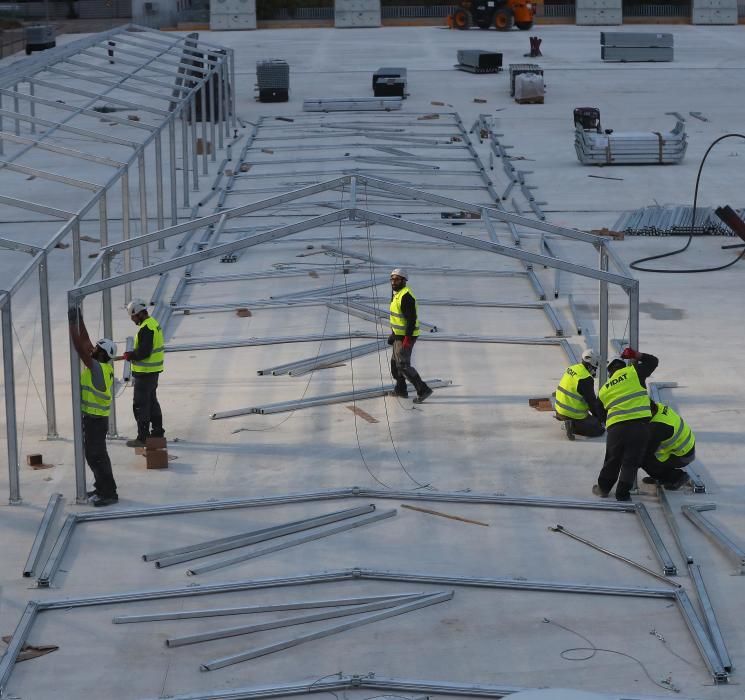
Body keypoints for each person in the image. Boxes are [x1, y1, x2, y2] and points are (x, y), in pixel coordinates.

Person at [68, 307, 119, 507]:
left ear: (103, 354)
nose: (93, 349)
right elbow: (87, 341)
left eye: (97, 349)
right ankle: (102, 487)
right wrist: (80, 319)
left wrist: (72, 325)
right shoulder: (101, 364)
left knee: (96, 456)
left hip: (95, 420)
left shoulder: (97, 368)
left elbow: (80, 348)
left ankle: (109, 493)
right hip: (95, 419)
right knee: (96, 455)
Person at [593, 347, 658, 502]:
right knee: (631, 462)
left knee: (612, 459)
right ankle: (622, 495)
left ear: (610, 372)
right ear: (624, 365)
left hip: (616, 429)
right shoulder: (633, 372)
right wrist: (637, 355)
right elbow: (653, 361)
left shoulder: (604, 389)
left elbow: (599, 413)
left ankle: (603, 488)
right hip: (639, 427)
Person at [121, 299, 165, 448]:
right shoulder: (153, 323)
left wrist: (131, 355)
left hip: (145, 373)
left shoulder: (146, 328)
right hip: (152, 372)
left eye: (133, 316)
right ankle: (158, 432)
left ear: (139, 313)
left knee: (141, 405)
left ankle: (143, 437)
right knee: (152, 402)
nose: (132, 319)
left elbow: (144, 352)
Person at [387, 268, 433, 404]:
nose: (393, 282)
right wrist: (393, 334)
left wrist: (406, 339)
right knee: (395, 364)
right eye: (392, 279)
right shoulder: (396, 293)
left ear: (403, 281)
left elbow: (411, 320)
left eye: (396, 279)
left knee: (403, 365)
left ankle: (423, 390)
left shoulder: (406, 296)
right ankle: (401, 389)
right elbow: (397, 318)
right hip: (398, 335)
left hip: (407, 336)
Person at [641, 401, 695, 490]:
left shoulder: (658, 426)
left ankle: (676, 477)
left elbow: (645, 452)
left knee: (643, 459)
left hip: (681, 456)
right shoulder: (659, 407)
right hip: (685, 448)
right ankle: (660, 475)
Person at [554, 349, 605, 438]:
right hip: (572, 414)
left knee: (592, 420)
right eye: (596, 367)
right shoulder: (585, 378)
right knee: (598, 429)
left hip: (559, 409)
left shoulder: (572, 368)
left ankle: (569, 422)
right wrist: (600, 419)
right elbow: (592, 403)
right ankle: (572, 426)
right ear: (592, 365)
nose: (595, 370)